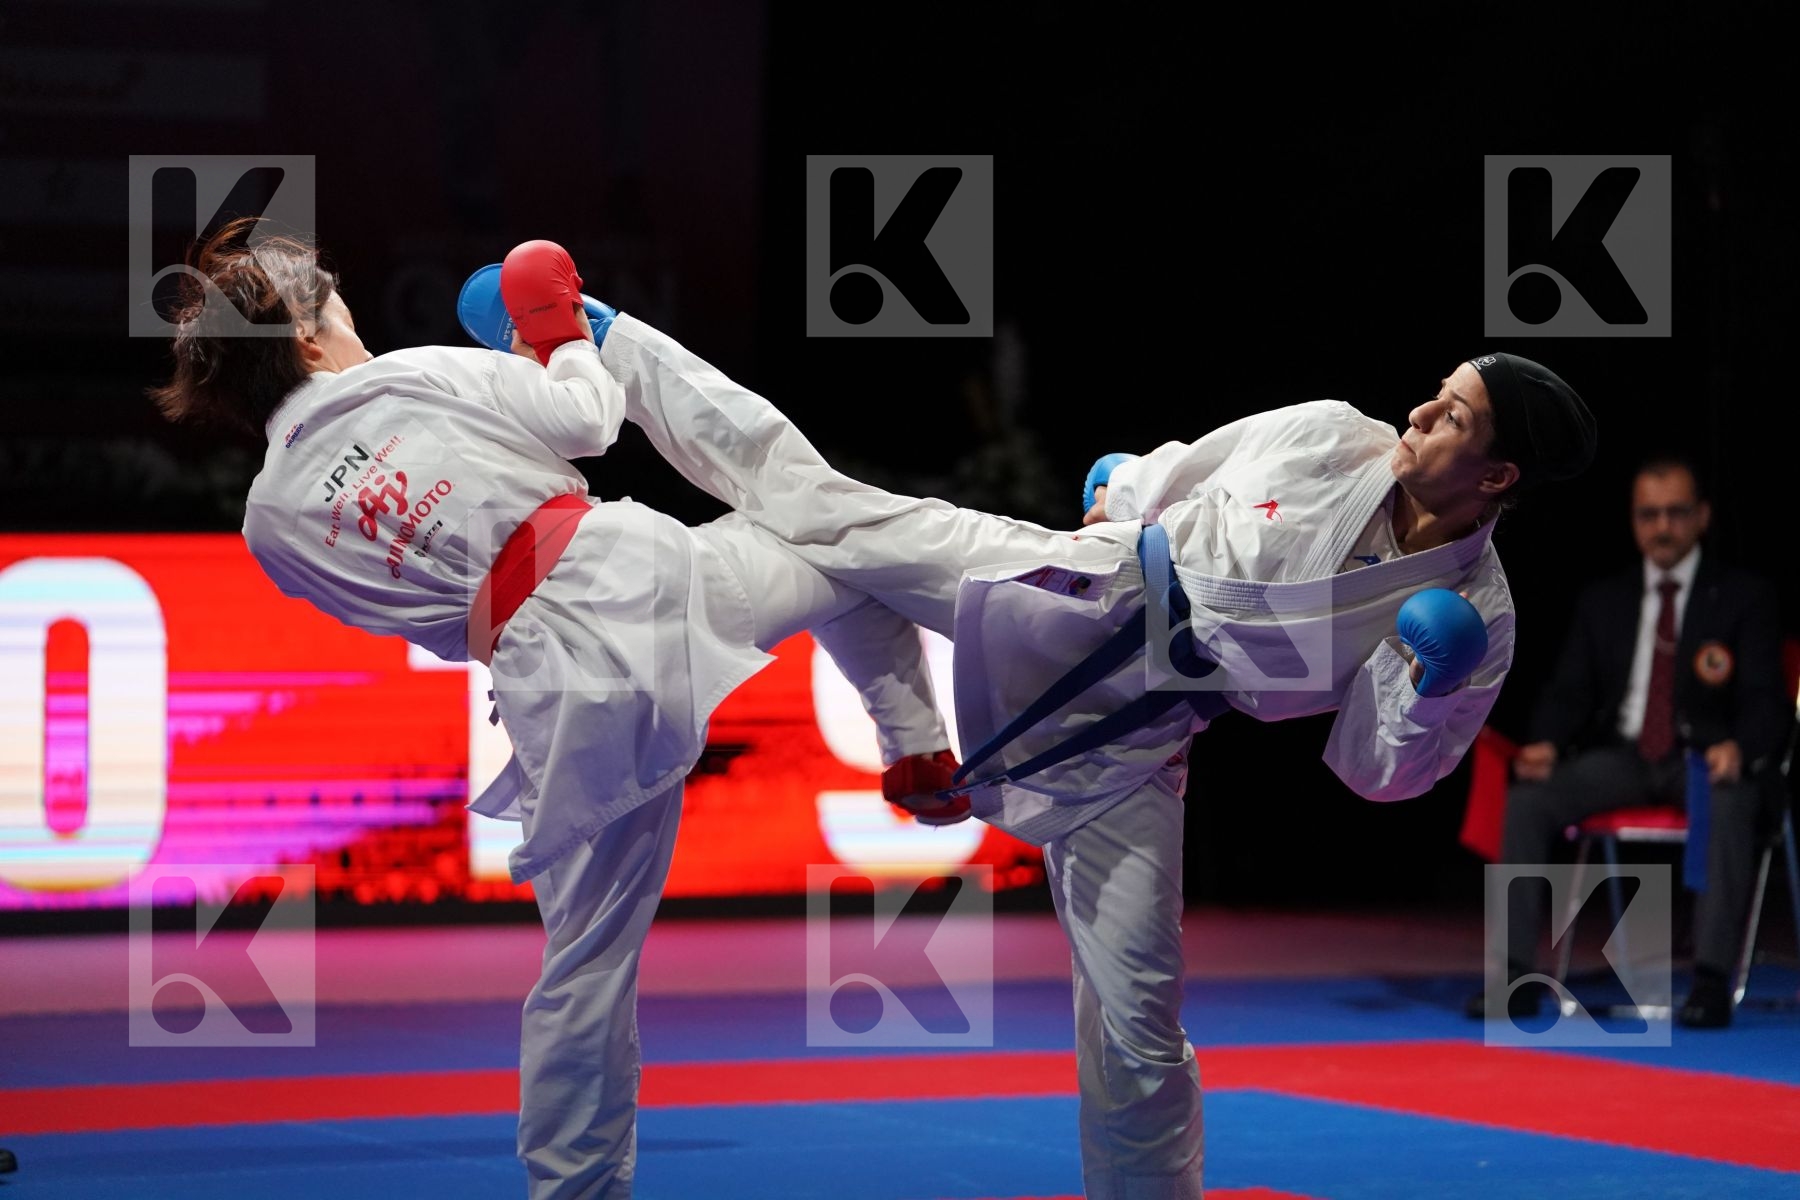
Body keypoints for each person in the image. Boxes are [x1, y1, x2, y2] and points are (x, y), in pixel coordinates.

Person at [549, 273, 1596, 1199]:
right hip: (1077, 592)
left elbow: (1379, 772)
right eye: (1439, 390)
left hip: (1142, 739)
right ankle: (604, 340)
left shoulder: (1480, 621)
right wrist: (1123, 486)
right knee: (825, 510)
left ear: (1496, 477)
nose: (1420, 409)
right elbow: (1194, 462)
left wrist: (1427, 684)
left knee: (1137, 1025)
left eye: (1453, 414)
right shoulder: (1331, 432)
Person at [148, 222, 961, 1199]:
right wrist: (558, 327)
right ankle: (918, 749)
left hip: (545, 688)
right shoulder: (406, 376)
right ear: (311, 341)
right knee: (837, 540)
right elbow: (587, 421)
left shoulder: (270, 524)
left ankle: (571, 1192)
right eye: (340, 310)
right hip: (634, 585)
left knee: (586, 963)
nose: (354, 325)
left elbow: (411, 617)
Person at [1470, 456, 1788, 1028]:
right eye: (1649, 515)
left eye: (1675, 513)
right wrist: (1546, 740)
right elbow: (1570, 690)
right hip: (1624, 758)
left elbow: (1767, 698)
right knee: (1529, 800)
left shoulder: (1743, 597)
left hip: (1704, 761)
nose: (1662, 527)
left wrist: (1741, 746)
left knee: (1731, 799)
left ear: (1702, 518)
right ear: (1634, 521)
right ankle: (1516, 975)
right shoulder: (1605, 601)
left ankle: (1712, 980)